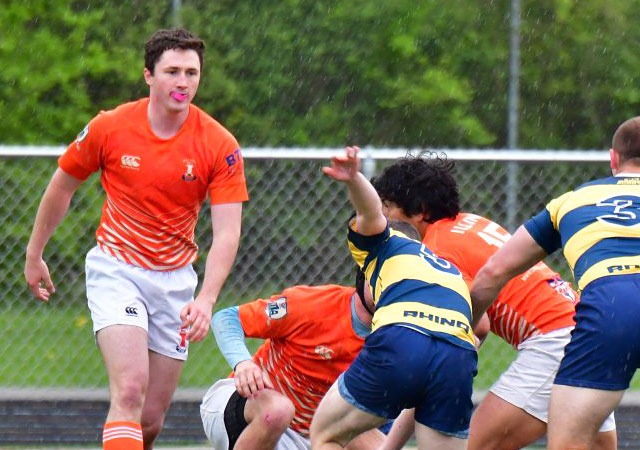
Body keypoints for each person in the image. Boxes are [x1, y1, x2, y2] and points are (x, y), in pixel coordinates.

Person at [23, 28, 248, 450]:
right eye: (172, 71)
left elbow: (227, 232)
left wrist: (206, 298)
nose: (183, 82)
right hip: (117, 269)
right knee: (128, 391)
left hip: (176, 282)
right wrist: (35, 254)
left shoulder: (219, 144)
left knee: (148, 421)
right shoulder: (110, 127)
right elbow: (62, 187)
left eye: (192, 73)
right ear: (148, 75)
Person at [371, 153, 616, 450]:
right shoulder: (471, 222)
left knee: (475, 446)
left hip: (555, 339)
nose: (382, 218)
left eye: (387, 207)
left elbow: (480, 325)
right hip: (591, 331)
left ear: (419, 210)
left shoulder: (437, 249)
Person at [469, 116, 640, 450]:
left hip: (612, 308)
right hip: (613, 307)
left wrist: (469, 326)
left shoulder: (571, 201)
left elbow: (492, 273)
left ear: (613, 159)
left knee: (571, 442)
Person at [310, 146, 478, 450]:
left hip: (402, 338)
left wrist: (353, 179)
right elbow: (477, 330)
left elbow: (370, 213)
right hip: (458, 355)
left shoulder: (383, 243)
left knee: (327, 435)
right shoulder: (447, 267)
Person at [200, 282, 385, 450]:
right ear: (366, 275)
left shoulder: (396, 338)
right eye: (388, 276)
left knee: (382, 445)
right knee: (278, 411)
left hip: (309, 431)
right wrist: (243, 363)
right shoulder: (311, 304)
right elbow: (227, 318)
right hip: (248, 406)